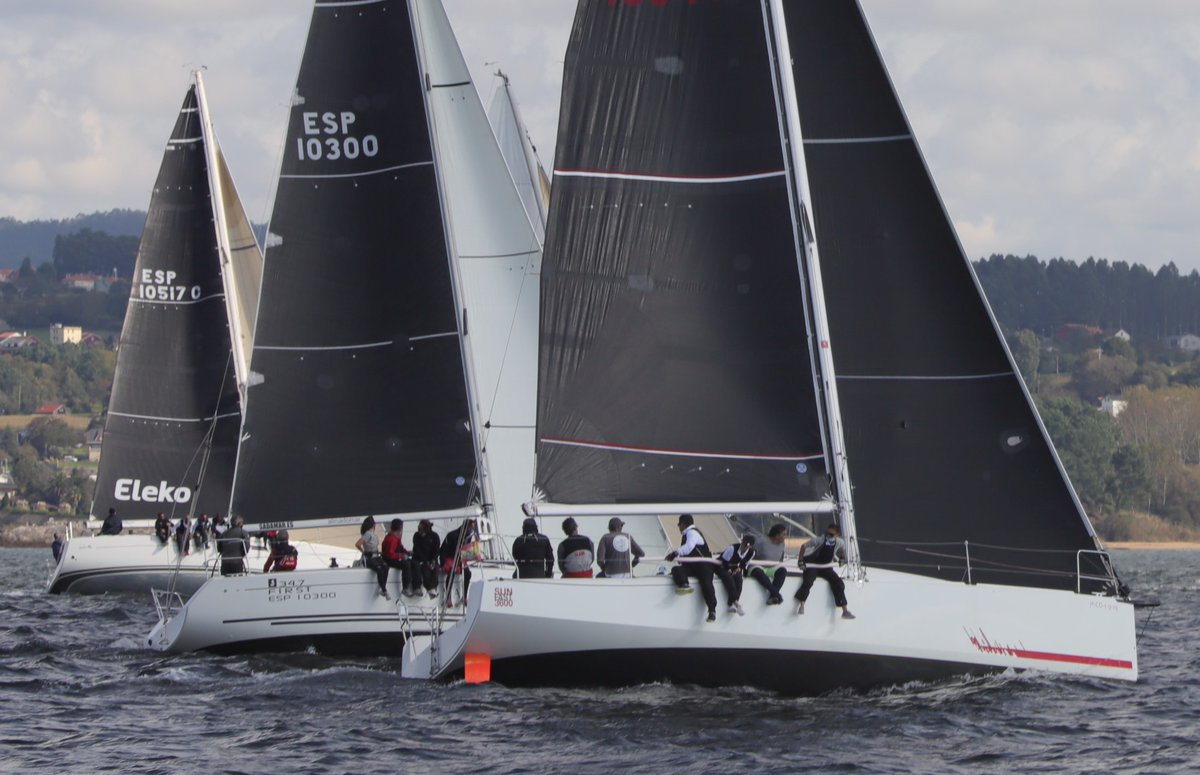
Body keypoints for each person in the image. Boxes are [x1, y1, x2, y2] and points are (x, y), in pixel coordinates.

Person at [666, 514, 719, 623]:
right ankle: (684, 584)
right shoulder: (686, 535)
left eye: (679, 524)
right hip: (693, 566)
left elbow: (689, 547)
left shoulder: (692, 533)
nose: (678, 527)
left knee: (706, 584)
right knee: (676, 569)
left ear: (683, 524)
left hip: (704, 565)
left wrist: (675, 553)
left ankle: (712, 610)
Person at [795, 523, 855, 619]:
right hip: (813, 564)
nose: (828, 536)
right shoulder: (819, 540)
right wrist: (800, 561)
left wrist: (842, 558)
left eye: (831, 534)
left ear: (837, 535)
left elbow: (842, 550)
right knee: (808, 581)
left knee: (839, 583)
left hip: (825, 566)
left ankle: (845, 610)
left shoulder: (840, 542)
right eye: (827, 533)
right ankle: (802, 605)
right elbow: (804, 546)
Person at [439, 518, 480, 605]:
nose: (472, 530)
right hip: (450, 558)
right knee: (452, 572)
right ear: (466, 527)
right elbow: (443, 550)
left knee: (468, 573)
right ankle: (448, 597)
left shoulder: (468, 536)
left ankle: (464, 597)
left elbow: (465, 550)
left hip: (460, 559)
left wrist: (473, 553)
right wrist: (442, 563)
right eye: (471, 527)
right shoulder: (452, 535)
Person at [749, 523, 790, 605]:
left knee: (782, 571)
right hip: (757, 566)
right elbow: (749, 552)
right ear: (777, 535)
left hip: (771, 568)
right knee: (758, 571)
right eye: (784, 534)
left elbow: (780, 559)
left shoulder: (782, 544)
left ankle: (773, 596)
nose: (786, 536)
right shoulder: (761, 542)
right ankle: (776, 594)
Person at [716, 534, 755, 616]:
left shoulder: (751, 552)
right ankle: (736, 603)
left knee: (739, 580)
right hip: (722, 566)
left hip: (734, 566)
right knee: (729, 578)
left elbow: (744, 564)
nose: (744, 547)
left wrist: (739, 568)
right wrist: (729, 570)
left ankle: (732, 604)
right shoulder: (732, 548)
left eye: (747, 546)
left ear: (750, 546)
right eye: (743, 544)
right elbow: (724, 562)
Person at [356, 515, 390, 599]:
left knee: (385, 566)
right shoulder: (368, 534)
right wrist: (364, 552)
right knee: (379, 568)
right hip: (369, 557)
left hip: (376, 556)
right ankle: (384, 589)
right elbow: (358, 544)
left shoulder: (373, 534)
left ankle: (383, 587)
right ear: (373, 525)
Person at [382, 518, 418, 596]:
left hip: (393, 557)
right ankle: (405, 587)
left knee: (414, 563)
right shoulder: (392, 539)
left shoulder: (395, 537)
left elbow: (400, 548)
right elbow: (390, 554)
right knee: (406, 564)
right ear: (400, 528)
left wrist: (407, 552)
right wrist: (401, 556)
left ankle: (416, 586)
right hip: (390, 560)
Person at [411, 519, 441, 598]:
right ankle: (428, 587)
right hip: (420, 558)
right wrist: (425, 561)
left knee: (435, 569)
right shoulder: (416, 536)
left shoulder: (434, 536)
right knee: (425, 569)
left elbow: (436, 549)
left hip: (431, 558)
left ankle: (433, 587)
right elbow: (417, 549)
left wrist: (433, 560)